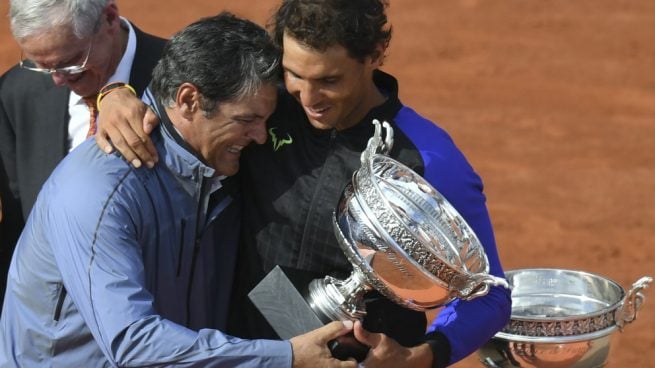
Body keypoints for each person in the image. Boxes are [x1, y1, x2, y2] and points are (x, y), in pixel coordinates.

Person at [96, 1, 512, 367]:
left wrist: (422, 356)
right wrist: (116, 92)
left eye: (329, 80)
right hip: (241, 352)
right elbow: (186, 76)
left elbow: (489, 293)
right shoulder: (265, 103)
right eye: (294, 74)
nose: (307, 96)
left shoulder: (427, 158)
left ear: (376, 55)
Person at [0, 12, 357, 368]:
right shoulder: (98, 193)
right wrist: (287, 358)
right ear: (188, 101)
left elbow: (256, 269)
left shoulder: (219, 158)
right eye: (247, 121)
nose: (262, 137)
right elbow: (133, 344)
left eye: (264, 120)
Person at [0, 0, 167, 305]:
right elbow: (18, 229)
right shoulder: (16, 92)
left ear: (109, 18)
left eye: (72, 60)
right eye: (41, 65)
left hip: (158, 309)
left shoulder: (181, 80)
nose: (58, 79)